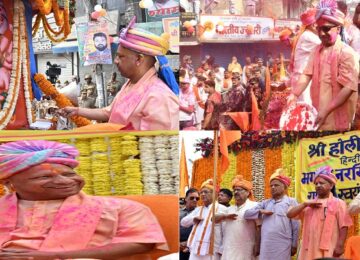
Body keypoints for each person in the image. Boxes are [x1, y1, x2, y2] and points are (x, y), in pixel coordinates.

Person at [0, 140, 168, 260]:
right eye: (44, 177)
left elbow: (141, 243)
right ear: (9, 182)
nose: (65, 181)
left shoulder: (122, 208)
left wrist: (57, 256)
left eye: (69, 174)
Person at [59, 17, 179, 130]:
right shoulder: (130, 84)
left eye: (121, 57)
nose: (116, 61)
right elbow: (109, 112)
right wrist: (77, 111)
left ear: (139, 59)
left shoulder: (159, 97)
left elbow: (154, 147)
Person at [287, 1, 359, 130]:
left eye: (326, 28)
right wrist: (295, 94)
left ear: (338, 29)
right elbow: (306, 74)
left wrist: (327, 110)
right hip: (319, 112)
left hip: (337, 116)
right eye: (319, 28)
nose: (321, 33)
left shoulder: (347, 53)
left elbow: (348, 88)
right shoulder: (316, 50)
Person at [287, 166, 353, 259]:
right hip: (308, 249)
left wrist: (340, 245)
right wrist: (305, 204)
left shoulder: (339, 203)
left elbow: (344, 226)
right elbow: (289, 214)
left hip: (329, 248)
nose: (318, 185)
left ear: (331, 185)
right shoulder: (309, 204)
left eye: (321, 183)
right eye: (316, 183)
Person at [244, 168, 300, 260]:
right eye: (271, 186)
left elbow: (296, 225)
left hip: (283, 243)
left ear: (285, 187)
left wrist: (294, 244)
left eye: (276, 185)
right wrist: (260, 211)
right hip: (266, 243)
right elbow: (247, 214)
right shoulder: (265, 203)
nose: (273, 187)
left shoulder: (291, 202)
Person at [215, 176, 260, 260]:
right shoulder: (229, 209)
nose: (236, 192)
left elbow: (259, 227)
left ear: (247, 193)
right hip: (229, 249)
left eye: (239, 190)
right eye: (234, 190)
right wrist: (225, 216)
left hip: (246, 248)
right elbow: (213, 219)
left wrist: (258, 245)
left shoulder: (255, 206)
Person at [180, 179, 226, 260]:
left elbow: (226, 232)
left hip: (212, 251)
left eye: (206, 192)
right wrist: (193, 219)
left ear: (214, 194)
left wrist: (222, 249)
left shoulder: (222, 209)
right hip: (195, 249)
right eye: (201, 192)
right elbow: (183, 222)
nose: (203, 194)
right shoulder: (198, 209)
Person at [289, 8, 321, 104]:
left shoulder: (306, 34)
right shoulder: (308, 36)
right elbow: (327, 44)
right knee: (305, 110)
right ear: (314, 25)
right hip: (302, 80)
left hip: (302, 78)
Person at [180, 188, 200, 260]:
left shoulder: (201, 213)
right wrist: (178, 244)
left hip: (194, 247)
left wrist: (188, 243)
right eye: (192, 198)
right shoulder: (179, 212)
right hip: (179, 247)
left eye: (197, 198)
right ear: (186, 199)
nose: (195, 200)